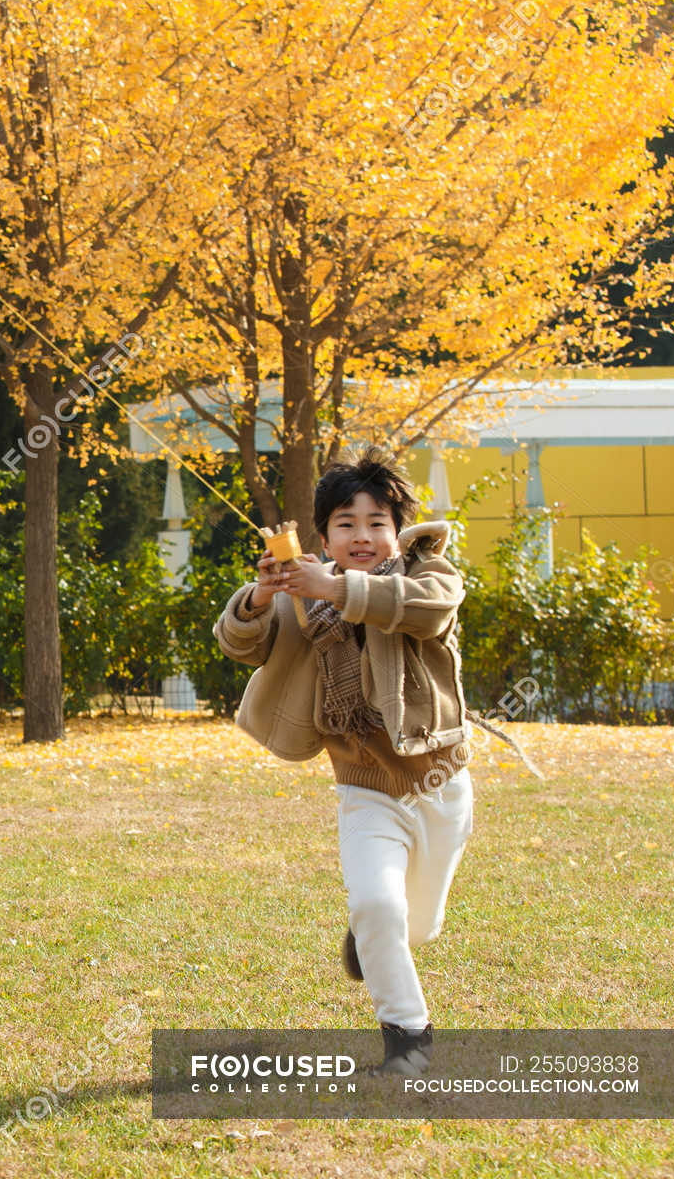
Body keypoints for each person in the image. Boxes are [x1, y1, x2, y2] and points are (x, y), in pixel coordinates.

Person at [215, 448, 471, 1076]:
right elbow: (238, 642)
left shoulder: (428, 575)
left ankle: (374, 941)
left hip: (440, 785)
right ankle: (408, 1041)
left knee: (417, 925)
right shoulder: (304, 598)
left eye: (377, 521)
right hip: (366, 792)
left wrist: (335, 586)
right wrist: (257, 598)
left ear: (397, 530)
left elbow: (425, 610)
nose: (362, 535)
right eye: (346, 523)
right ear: (323, 535)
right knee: (379, 907)